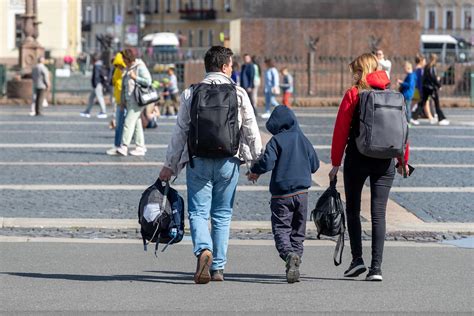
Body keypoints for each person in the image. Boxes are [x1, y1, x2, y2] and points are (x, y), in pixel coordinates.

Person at [158, 46, 262, 284]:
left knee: (198, 212)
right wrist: (255, 163)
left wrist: (170, 165)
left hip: (198, 160)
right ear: (225, 67)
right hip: (229, 160)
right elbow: (251, 130)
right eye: (232, 65)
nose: (233, 69)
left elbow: (180, 132)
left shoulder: (191, 92)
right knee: (222, 214)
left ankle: (203, 250)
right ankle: (217, 268)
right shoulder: (239, 93)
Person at [329, 53, 410, 282]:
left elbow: (341, 131)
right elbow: (403, 129)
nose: (352, 74)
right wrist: (403, 159)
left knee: (353, 210)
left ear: (360, 71)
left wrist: (335, 163)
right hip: (385, 161)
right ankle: (376, 269)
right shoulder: (393, 95)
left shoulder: (354, 94)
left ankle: (357, 260)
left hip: (358, 157)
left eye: (354, 70)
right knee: (378, 214)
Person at [247, 105, 319, 283]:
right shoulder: (302, 139)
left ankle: (288, 255)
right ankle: (296, 258)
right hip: (302, 194)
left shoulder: (276, 141)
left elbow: (267, 162)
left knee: (281, 228)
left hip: (281, 195)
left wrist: (255, 170)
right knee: (298, 231)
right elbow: (315, 165)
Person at [116, 49, 152, 157]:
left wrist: (135, 77)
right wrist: (122, 101)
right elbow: (124, 86)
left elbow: (148, 81)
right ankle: (140, 147)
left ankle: (124, 146)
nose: (123, 61)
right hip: (129, 100)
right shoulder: (128, 68)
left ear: (128, 58)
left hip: (137, 100)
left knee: (128, 122)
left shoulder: (139, 66)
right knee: (136, 124)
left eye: (124, 59)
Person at [413, 54, 449, 126]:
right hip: (431, 88)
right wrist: (438, 85)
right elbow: (433, 78)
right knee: (436, 104)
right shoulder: (432, 67)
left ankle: (414, 117)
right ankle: (441, 119)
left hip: (426, 87)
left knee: (422, 103)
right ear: (435, 60)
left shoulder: (426, 66)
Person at [106, 51, 127, 156]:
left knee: (121, 125)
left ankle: (119, 146)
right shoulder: (118, 71)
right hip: (120, 101)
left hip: (124, 102)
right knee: (123, 125)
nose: (119, 66)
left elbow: (121, 87)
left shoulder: (124, 71)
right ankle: (121, 146)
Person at [81, 53, 108, 119]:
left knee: (99, 97)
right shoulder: (100, 65)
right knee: (91, 98)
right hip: (97, 84)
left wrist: (95, 84)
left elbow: (96, 76)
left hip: (97, 84)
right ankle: (87, 111)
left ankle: (103, 111)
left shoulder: (96, 66)